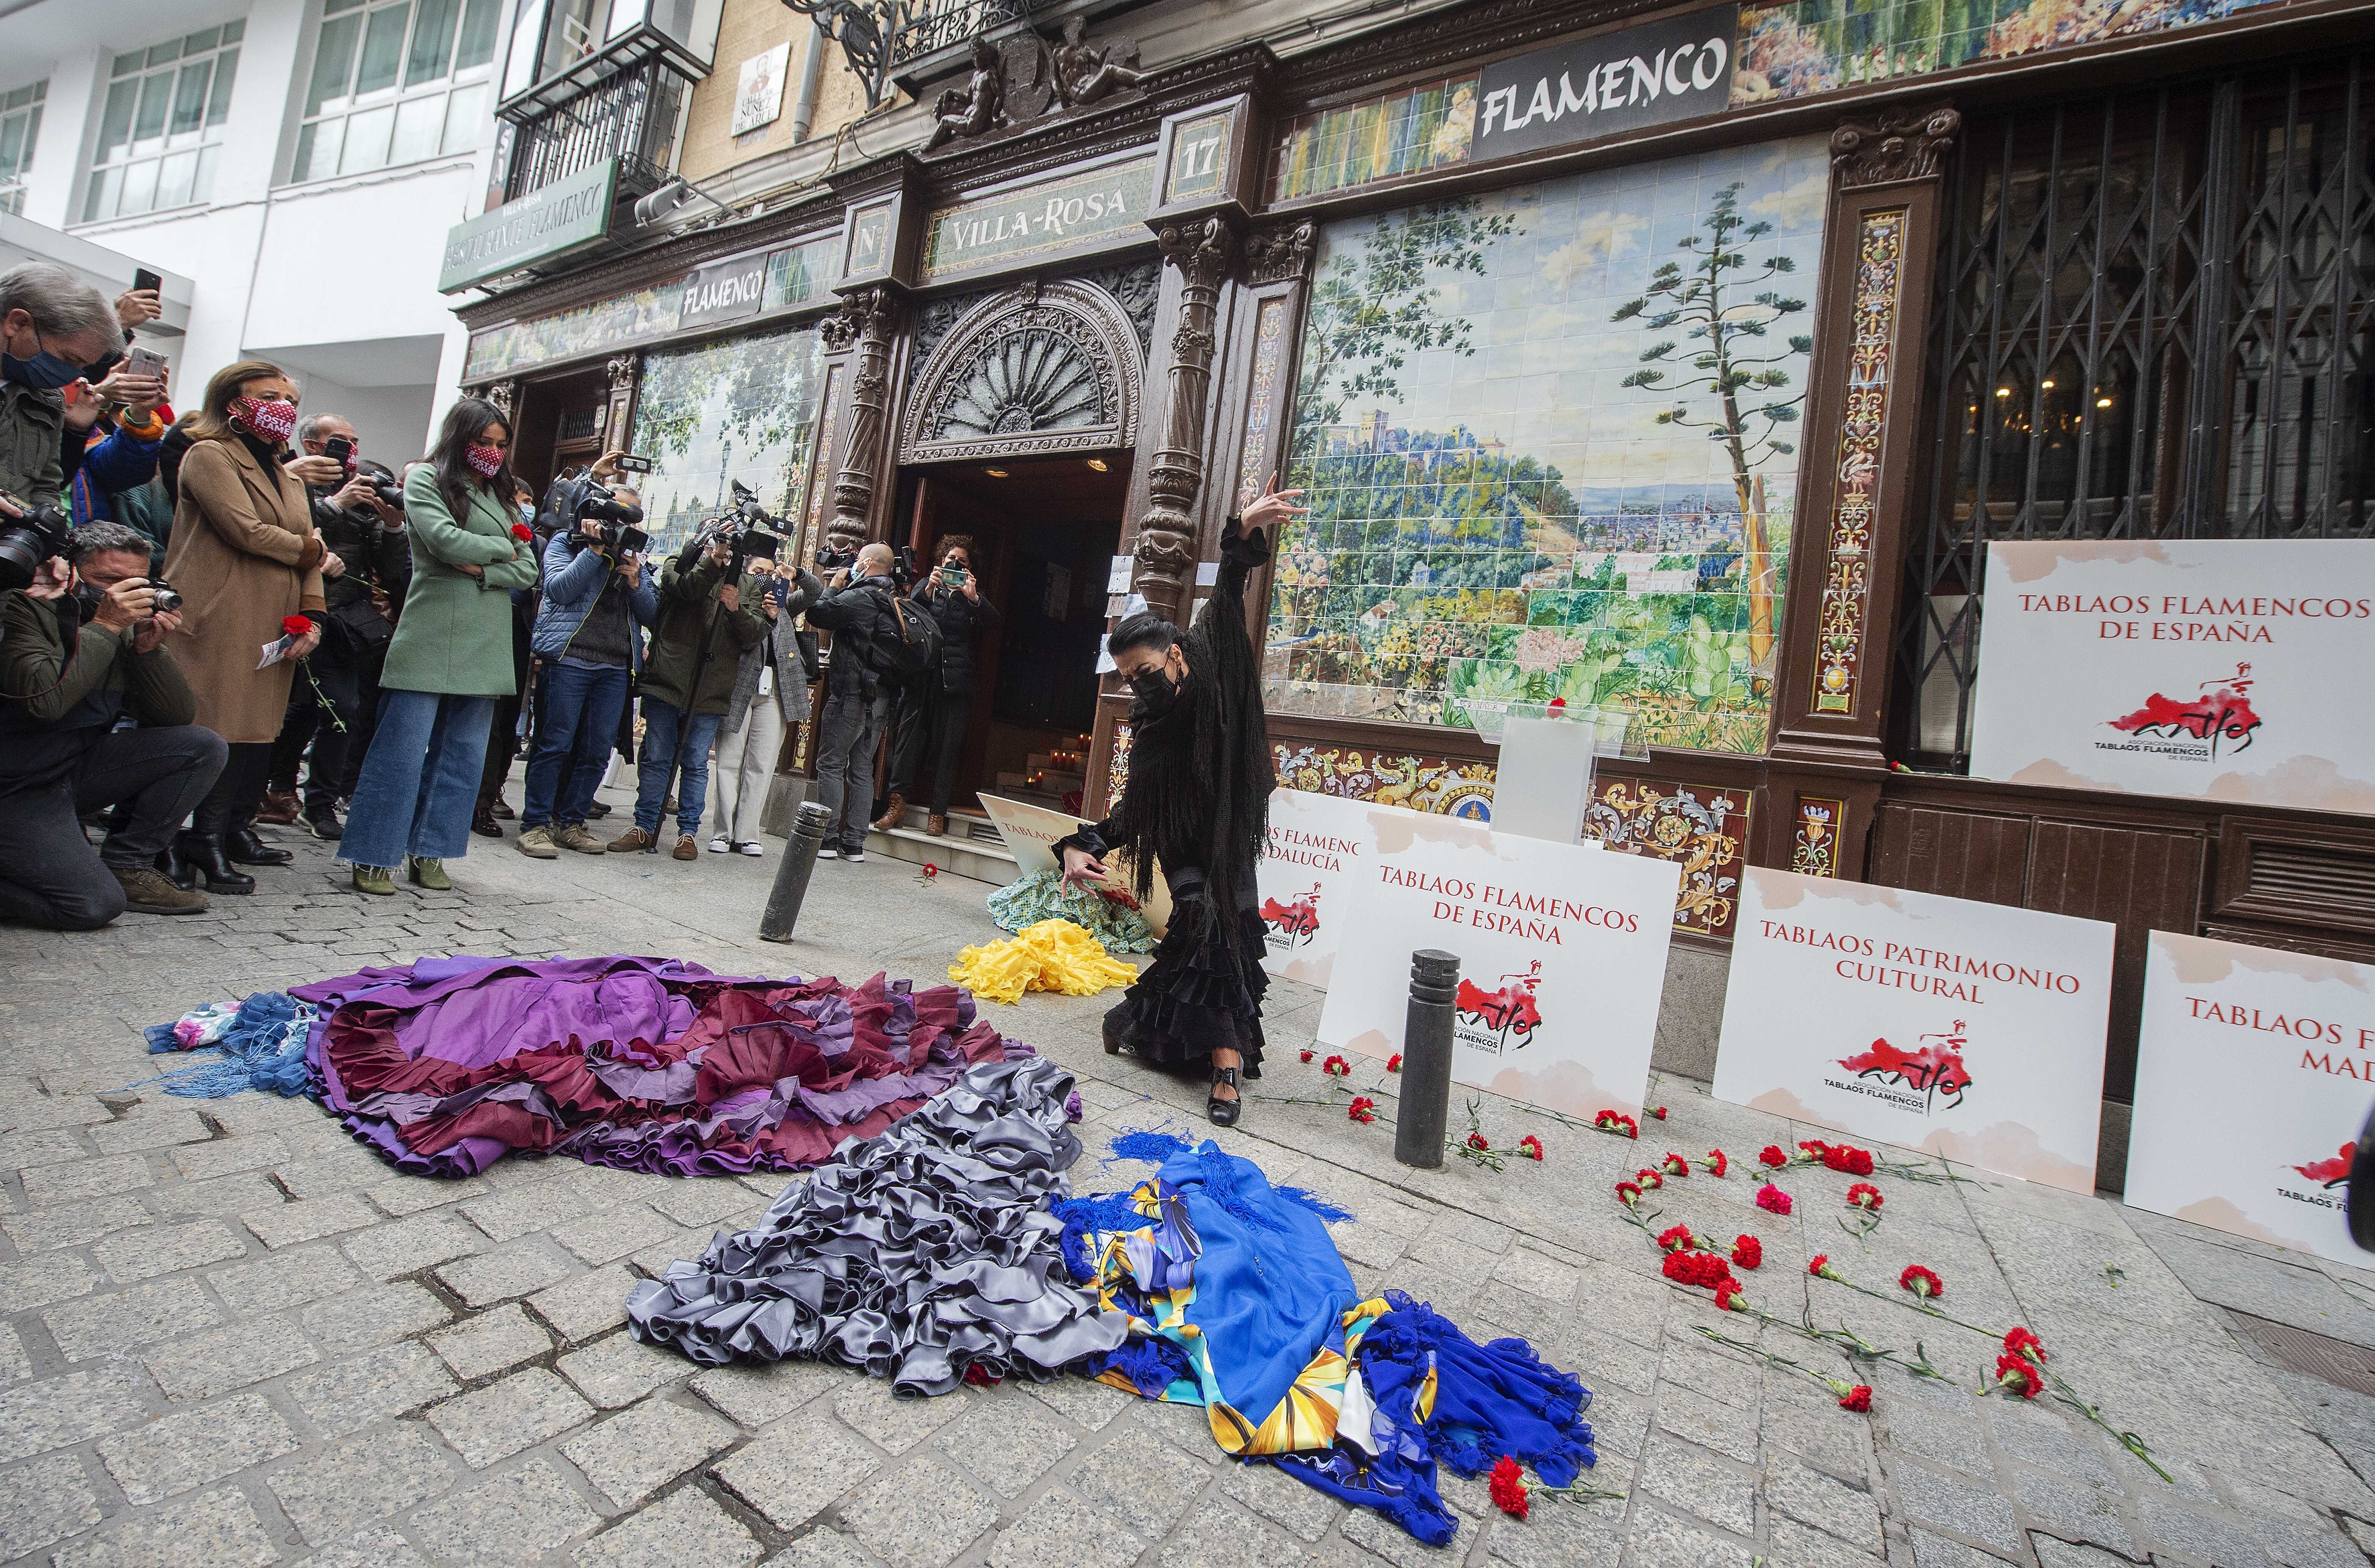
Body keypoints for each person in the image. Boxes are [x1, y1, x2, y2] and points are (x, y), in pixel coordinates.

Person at [1057, 478, 1305, 1126]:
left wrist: (1243, 528)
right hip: (1184, 844)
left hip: (1227, 833)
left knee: (1221, 939)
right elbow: (1137, 811)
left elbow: (1229, 592)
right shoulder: (1153, 727)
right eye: (1124, 679)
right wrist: (1080, 845)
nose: (1136, 686)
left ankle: (1132, 1017)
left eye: (1142, 672)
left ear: (1173, 654)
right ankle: (1226, 1068)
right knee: (1208, 928)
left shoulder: (1209, 654)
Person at [340, 398, 538, 895]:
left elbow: (530, 569)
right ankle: (372, 852)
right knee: (401, 753)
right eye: (484, 442)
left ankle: (431, 851)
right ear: (460, 438)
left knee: (463, 757)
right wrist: (502, 550)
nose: (493, 452)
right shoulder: (428, 480)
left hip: (487, 641)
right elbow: (445, 542)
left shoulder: (504, 496)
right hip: (431, 632)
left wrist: (486, 567)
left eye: (500, 444)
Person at [162, 360, 337, 894]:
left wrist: (312, 614)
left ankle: (211, 838)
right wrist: (312, 550)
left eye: (288, 397)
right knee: (201, 727)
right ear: (233, 404)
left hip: (270, 620)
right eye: (268, 395)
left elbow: (311, 546)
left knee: (246, 733)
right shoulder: (208, 455)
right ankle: (163, 838)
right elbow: (245, 530)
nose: (281, 407)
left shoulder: (286, 473)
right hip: (216, 613)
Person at [0, 524, 226, 925]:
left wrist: (148, 653)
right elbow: (44, 703)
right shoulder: (25, 606)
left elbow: (174, 716)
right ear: (69, 571)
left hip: (70, 769)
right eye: (108, 580)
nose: (125, 593)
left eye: (136, 582)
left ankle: (128, 865)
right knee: (93, 906)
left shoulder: (119, 624)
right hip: (17, 785)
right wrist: (104, 626)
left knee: (201, 745)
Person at [260, 418, 409, 841]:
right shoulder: (291, 480)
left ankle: (319, 803)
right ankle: (275, 790)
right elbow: (277, 534)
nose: (353, 450)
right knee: (296, 710)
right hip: (296, 612)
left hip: (345, 623)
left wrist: (395, 525)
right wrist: (335, 505)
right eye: (344, 442)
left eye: (358, 441)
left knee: (342, 708)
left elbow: (390, 570)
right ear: (313, 443)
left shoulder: (365, 494)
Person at [607, 529, 767, 859]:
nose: (721, 550)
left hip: (712, 685)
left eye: (725, 546)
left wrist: (736, 609)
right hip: (669, 677)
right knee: (656, 757)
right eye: (715, 544)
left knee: (695, 762)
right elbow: (685, 589)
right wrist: (712, 562)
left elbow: (754, 635)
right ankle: (644, 826)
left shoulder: (749, 584)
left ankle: (688, 834)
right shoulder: (678, 565)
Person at [518, 495, 657, 857]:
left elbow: (653, 614)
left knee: (597, 750)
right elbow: (559, 590)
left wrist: (636, 582)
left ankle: (572, 823)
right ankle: (534, 824)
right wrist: (593, 553)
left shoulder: (632, 555)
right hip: (570, 658)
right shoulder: (567, 544)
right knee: (555, 744)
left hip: (615, 666)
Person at [875, 536, 997, 838]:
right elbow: (906, 614)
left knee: (948, 747)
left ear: (970, 571)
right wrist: (929, 587)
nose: (954, 564)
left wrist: (973, 598)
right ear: (941, 562)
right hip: (921, 679)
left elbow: (994, 624)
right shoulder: (926, 589)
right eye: (950, 559)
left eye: (962, 563)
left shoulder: (972, 597)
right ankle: (897, 804)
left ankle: (937, 813)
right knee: (908, 742)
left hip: (956, 683)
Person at [711, 556, 823, 854]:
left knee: (762, 764)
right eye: (758, 572)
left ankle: (747, 834)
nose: (766, 578)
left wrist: (794, 574)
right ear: (746, 573)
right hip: (737, 686)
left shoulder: (784, 603)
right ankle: (722, 832)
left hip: (776, 690)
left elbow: (815, 592)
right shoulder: (735, 600)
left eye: (771, 572)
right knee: (729, 761)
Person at [804, 541, 902, 863]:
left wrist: (832, 587)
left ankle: (829, 840)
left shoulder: (862, 596)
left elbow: (818, 613)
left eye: (858, 560)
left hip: (850, 696)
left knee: (831, 764)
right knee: (862, 769)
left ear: (870, 563)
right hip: (881, 699)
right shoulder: (894, 600)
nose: (854, 564)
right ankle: (855, 844)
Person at [1, 262, 125, 518]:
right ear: (18, 323)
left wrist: (45, 535)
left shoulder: (49, 399)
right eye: (69, 359)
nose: (76, 375)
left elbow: (47, 486)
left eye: (84, 366)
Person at [472, 477, 542, 836]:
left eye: (529, 500)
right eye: (518, 499)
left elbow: (530, 578)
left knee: (507, 725)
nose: (524, 507)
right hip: (484, 628)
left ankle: (492, 791)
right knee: (486, 722)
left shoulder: (536, 542)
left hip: (520, 638)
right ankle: (478, 802)